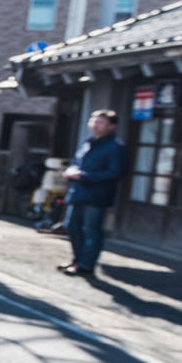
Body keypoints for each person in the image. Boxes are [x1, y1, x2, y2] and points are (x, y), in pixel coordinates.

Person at [59, 108, 129, 278]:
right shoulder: (88, 142)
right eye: (94, 121)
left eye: (100, 122)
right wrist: (71, 171)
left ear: (111, 126)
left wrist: (85, 176)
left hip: (97, 194)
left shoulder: (115, 147)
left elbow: (115, 172)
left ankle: (86, 264)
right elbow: (77, 162)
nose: (95, 125)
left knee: (91, 230)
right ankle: (77, 259)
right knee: (72, 227)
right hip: (78, 191)